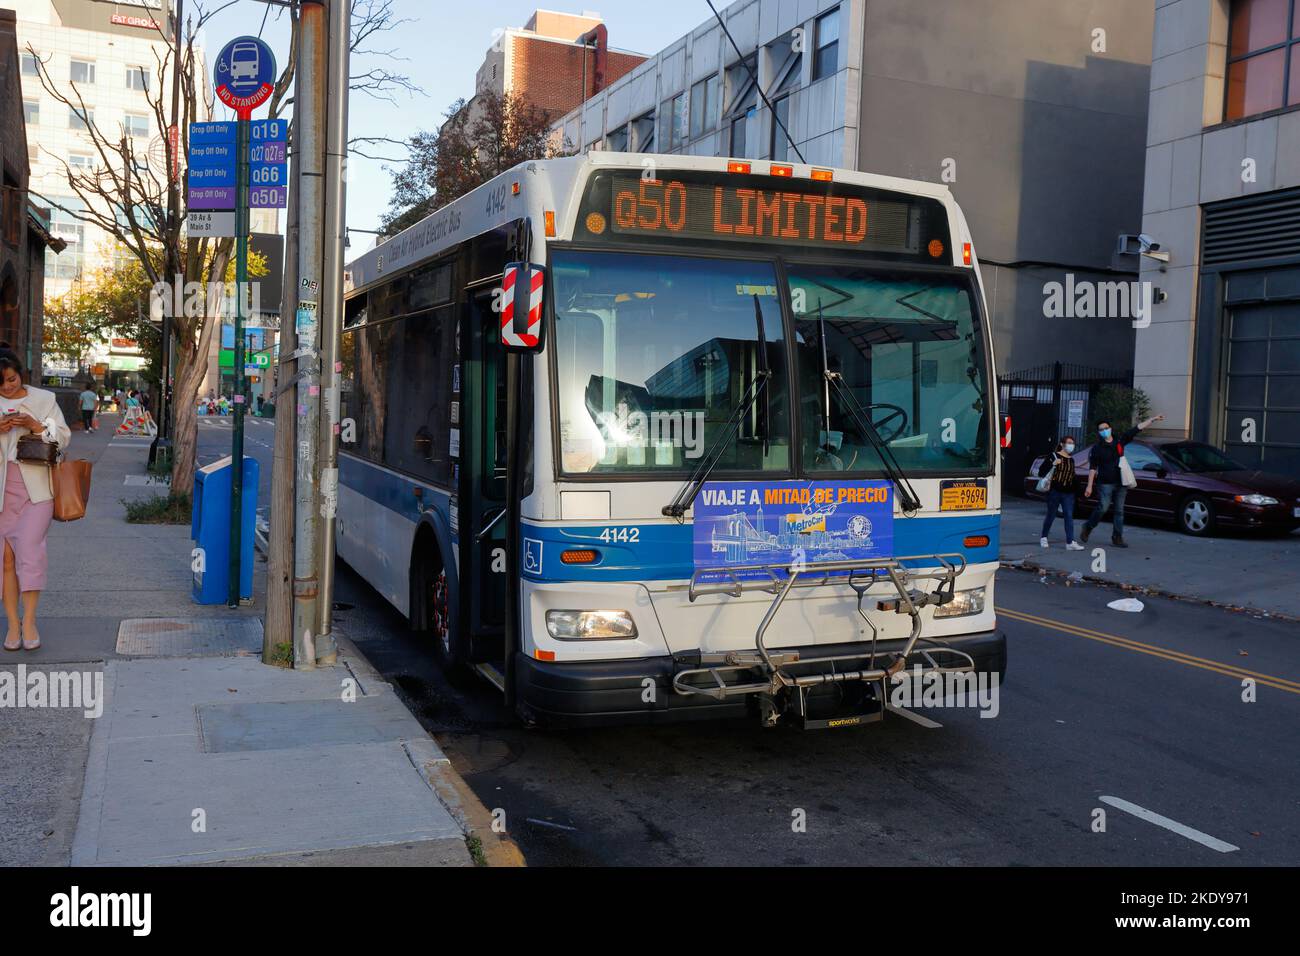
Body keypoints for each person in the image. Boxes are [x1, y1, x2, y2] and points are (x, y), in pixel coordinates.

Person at [0, 351, 71, 651]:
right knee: (5, 559)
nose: (7, 387)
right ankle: (13, 626)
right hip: (3, 491)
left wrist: (35, 425)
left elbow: (63, 439)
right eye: (0, 383)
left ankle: (29, 621)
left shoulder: (43, 399)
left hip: (37, 489)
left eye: (11, 379)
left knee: (29, 550)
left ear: (21, 374)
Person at [1081, 413, 1165, 548]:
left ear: (1110, 428)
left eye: (1106, 428)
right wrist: (1089, 486)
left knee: (1119, 511)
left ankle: (1117, 537)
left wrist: (1152, 420)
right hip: (1105, 482)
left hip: (1121, 481)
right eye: (1101, 429)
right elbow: (1093, 468)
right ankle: (1088, 526)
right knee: (1103, 508)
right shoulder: (1097, 448)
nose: (1104, 431)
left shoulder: (1119, 441)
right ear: (1099, 432)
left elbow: (1136, 429)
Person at [1039, 437, 1084, 550]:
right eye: (1069, 443)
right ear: (1062, 444)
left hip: (1068, 493)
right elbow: (1041, 471)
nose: (1071, 445)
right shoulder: (1053, 456)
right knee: (1051, 514)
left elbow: (1072, 476)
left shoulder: (1071, 460)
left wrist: (1079, 491)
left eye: (1073, 443)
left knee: (1069, 516)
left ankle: (1070, 542)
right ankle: (1044, 537)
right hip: (1054, 491)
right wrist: (1053, 464)